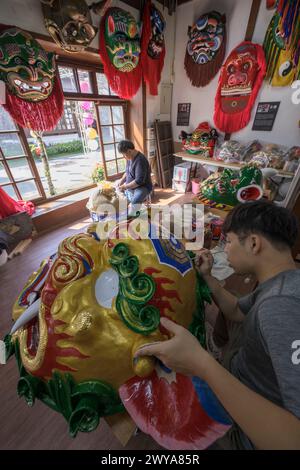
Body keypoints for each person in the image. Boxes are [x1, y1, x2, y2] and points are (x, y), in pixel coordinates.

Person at [134, 200, 300, 450]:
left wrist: (202, 363)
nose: (225, 249)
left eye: (228, 242)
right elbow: (236, 311)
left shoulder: (280, 307)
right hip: (241, 376)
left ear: (254, 243)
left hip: (245, 429)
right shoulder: (282, 281)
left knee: (161, 402)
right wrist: (208, 278)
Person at [117, 140, 152, 211]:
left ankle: (135, 218)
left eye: (124, 154)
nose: (124, 157)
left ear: (129, 151)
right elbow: (127, 172)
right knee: (118, 199)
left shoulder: (140, 160)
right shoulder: (129, 158)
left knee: (134, 204)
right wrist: (121, 181)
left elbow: (139, 181)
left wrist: (125, 186)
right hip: (130, 186)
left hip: (142, 187)